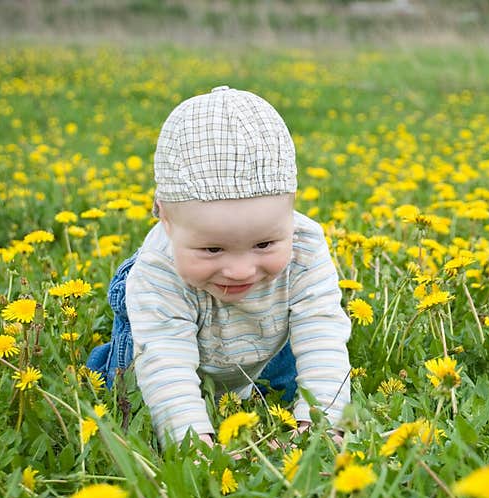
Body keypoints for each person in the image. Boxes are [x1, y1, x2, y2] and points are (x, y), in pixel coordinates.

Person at [86, 85, 352, 451]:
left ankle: (255, 391)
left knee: (304, 365)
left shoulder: (305, 247)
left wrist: (322, 426)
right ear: (165, 219)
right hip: (169, 343)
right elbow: (165, 357)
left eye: (264, 244)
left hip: (263, 344)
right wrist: (193, 446)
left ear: (290, 211)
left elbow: (320, 330)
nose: (241, 270)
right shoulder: (159, 269)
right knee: (127, 392)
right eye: (212, 248)